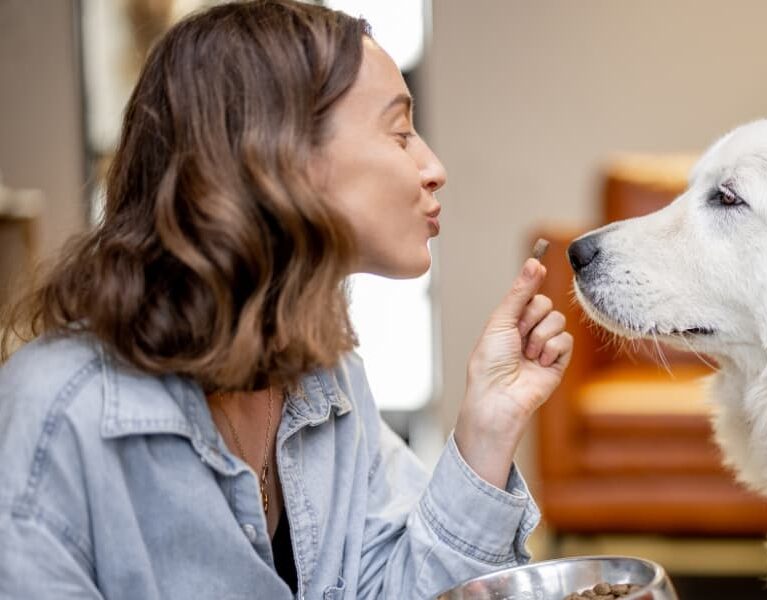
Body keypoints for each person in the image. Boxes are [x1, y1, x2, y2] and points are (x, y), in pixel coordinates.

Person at [0, 1, 572, 598]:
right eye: (400, 133)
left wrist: (487, 425)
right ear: (275, 158)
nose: (433, 168)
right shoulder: (58, 416)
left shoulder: (331, 379)